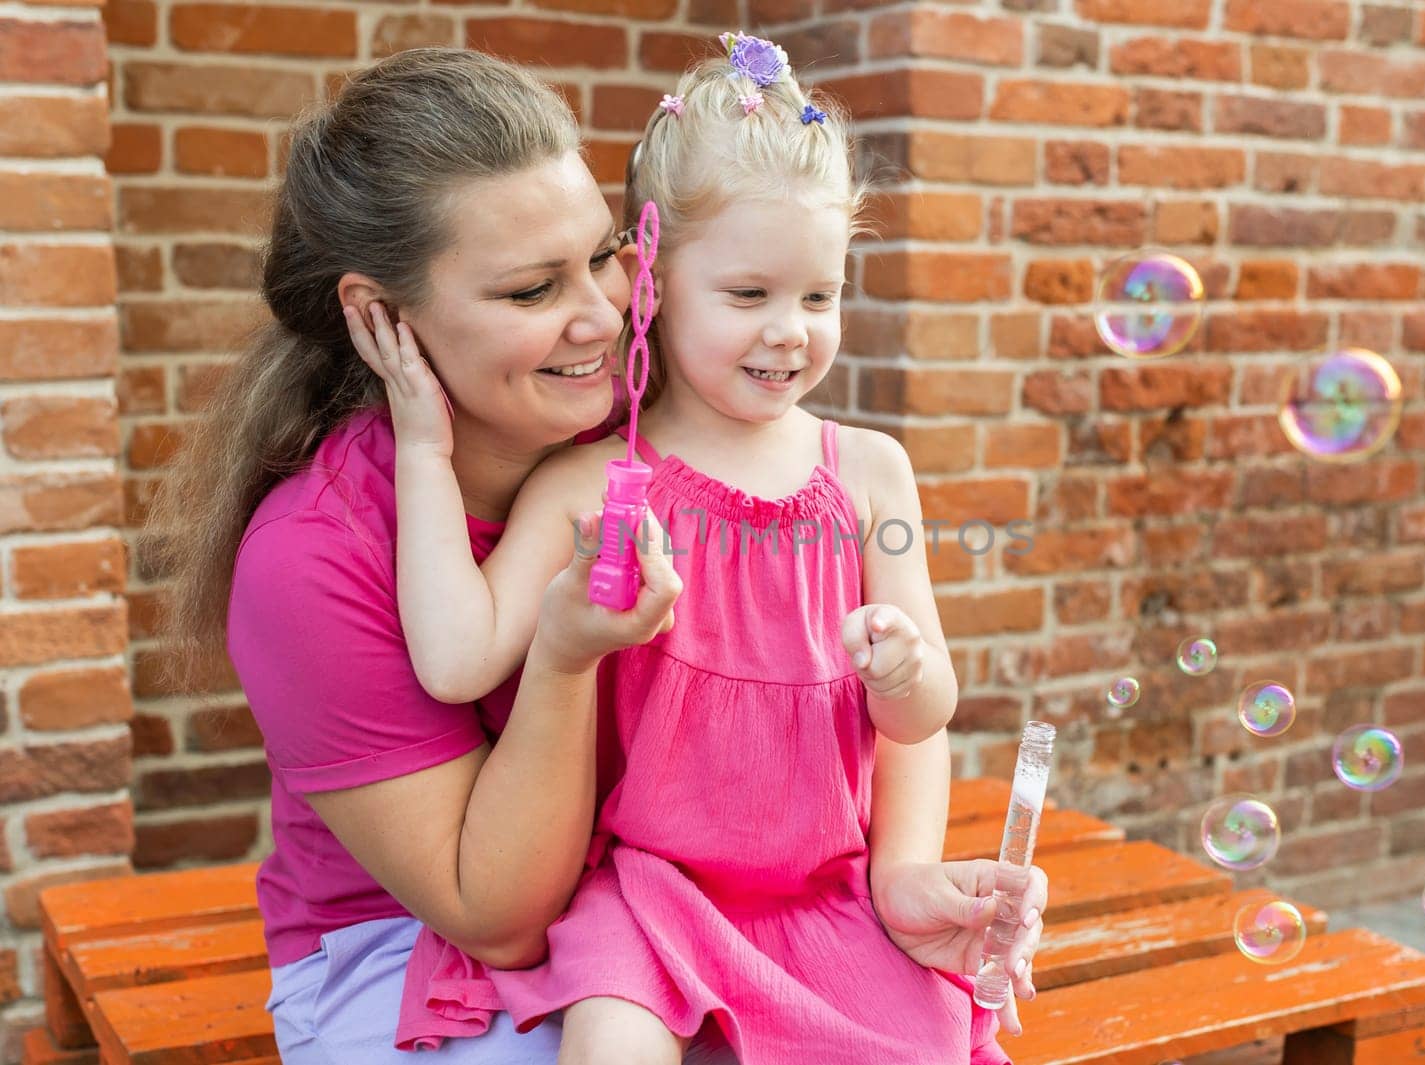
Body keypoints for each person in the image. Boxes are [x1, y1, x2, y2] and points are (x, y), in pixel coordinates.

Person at [147, 45, 1046, 1065]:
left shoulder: (658, 420)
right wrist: (553, 638)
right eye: (533, 289)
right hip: (440, 938)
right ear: (382, 318)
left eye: (603, 255)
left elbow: (901, 721)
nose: (605, 313)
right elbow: (495, 909)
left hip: (749, 896)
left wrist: (902, 862)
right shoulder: (332, 551)